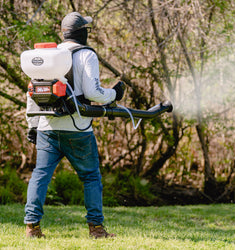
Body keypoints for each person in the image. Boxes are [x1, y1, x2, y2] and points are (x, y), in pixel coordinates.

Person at [24, 12, 124, 239]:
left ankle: (32, 227)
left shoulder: (47, 55)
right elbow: (92, 92)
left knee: (40, 175)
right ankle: (96, 229)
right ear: (83, 32)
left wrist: (32, 125)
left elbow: (32, 91)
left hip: (47, 128)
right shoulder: (86, 55)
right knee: (90, 177)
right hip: (78, 129)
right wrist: (114, 93)